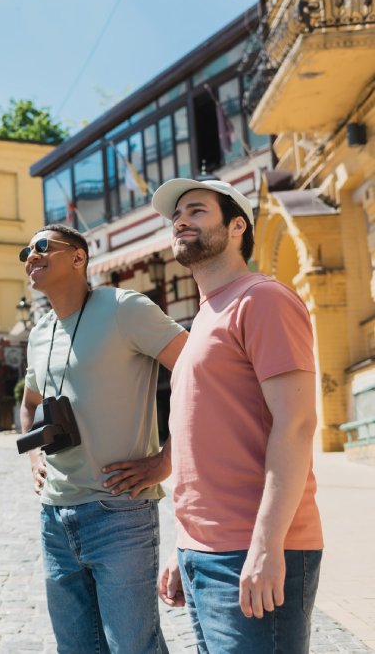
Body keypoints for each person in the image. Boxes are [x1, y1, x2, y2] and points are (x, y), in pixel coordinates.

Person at [152, 178, 323, 653]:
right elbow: (202, 442)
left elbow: (297, 423)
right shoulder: (205, 317)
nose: (181, 220)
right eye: (176, 216)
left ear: (236, 227)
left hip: (254, 550)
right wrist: (184, 547)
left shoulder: (262, 299)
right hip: (204, 554)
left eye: (197, 210)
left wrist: (266, 546)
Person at [19, 224, 187, 653]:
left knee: (133, 647)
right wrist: (34, 454)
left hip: (120, 511)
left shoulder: (124, 307)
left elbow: (196, 370)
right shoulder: (40, 333)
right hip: (54, 516)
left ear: (79, 258)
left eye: (42, 247)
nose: (31, 257)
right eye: (26, 252)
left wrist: (168, 459)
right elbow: (28, 405)